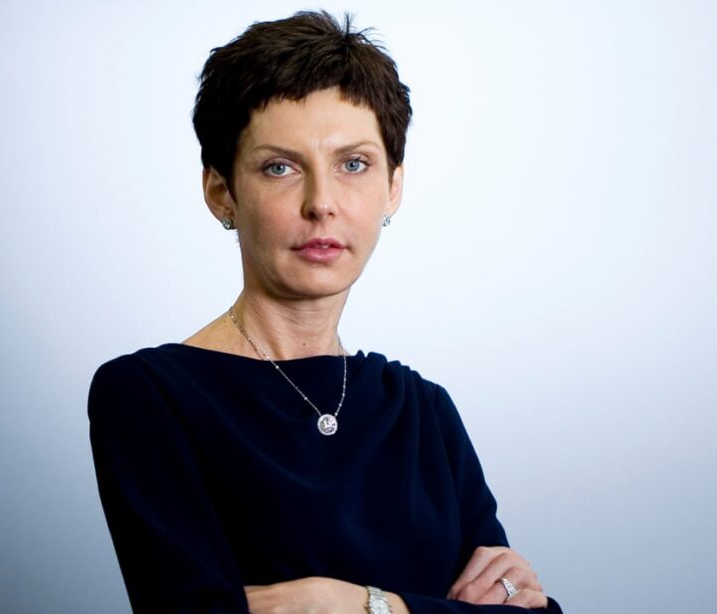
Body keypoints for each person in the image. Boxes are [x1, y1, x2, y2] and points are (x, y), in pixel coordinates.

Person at [89, 11, 563, 613]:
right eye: (280, 167)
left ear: (393, 187)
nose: (322, 204)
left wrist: (355, 604)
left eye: (354, 164)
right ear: (221, 192)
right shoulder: (149, 397)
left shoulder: (424, 413)